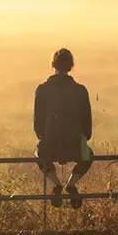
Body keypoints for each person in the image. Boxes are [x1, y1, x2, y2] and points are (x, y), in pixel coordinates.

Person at [34, 48, 93, 209]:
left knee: (39, 154)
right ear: (71, 66)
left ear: (53, 65)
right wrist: (83, 139)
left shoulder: (42, 89)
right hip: (74, 144)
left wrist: (44, 138)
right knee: (88, 156)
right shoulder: (81, 90)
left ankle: (56, 185)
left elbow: (38, 123)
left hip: (50, 145)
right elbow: (87, 123)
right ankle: (71, 184)